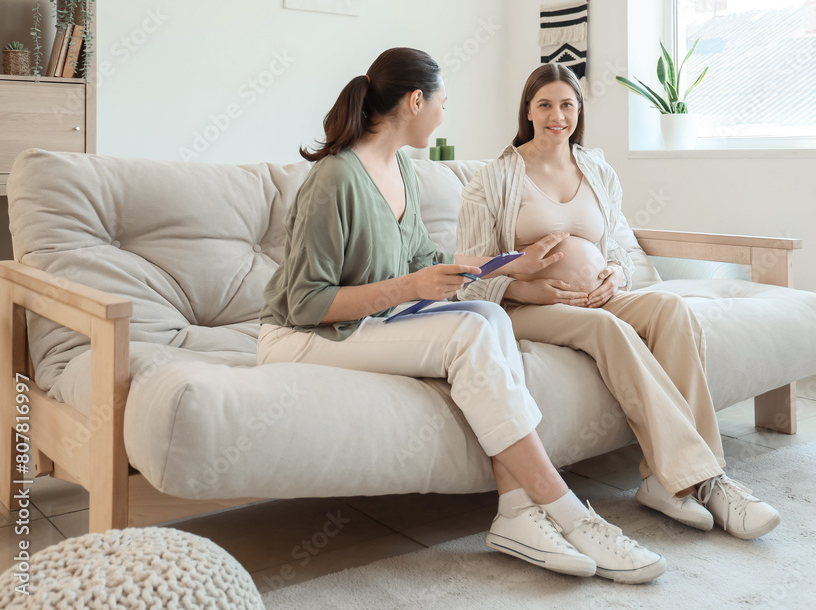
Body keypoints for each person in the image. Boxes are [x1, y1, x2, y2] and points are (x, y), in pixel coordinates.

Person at [256, 48, 668, 583]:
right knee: (470, 332)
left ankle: (515, 511)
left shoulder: (402, 165)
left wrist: (512, 269)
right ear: (416, 100)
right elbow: (308, 303)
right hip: (300, 335)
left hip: (363, 325)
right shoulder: (335, 178)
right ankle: (562, 507)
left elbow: (428, 260)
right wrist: (410, 287)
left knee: (490, 318)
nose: (444, 116)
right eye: (443, 103)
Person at [456, 63, 781, 540]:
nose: (557, 115)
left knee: (671, 309)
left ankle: (670, 484)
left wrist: (616, 275)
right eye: (545, 104)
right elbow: (471, 272)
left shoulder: (596, 170)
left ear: (579, 109)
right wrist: (525, 289)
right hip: (527, 308)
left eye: (567, 104)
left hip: (600, 298)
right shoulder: (495, 178)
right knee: (609, 329)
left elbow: (618, 253)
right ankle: (703, 477)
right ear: (527, 110)